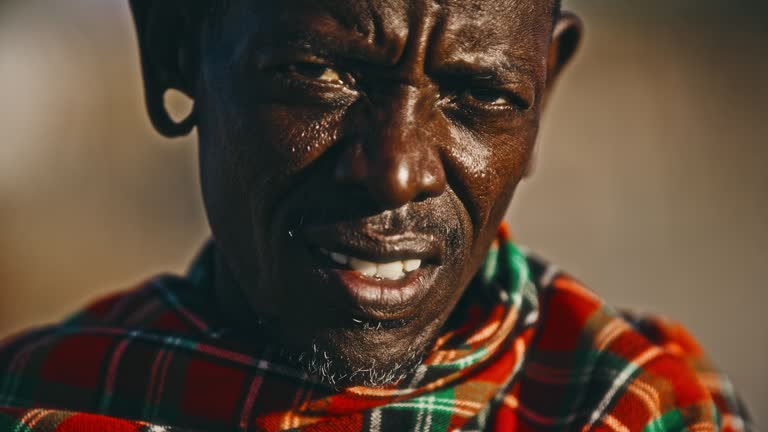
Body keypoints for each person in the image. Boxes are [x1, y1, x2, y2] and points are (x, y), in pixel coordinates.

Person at [0, 0, 754, 431]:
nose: (396, 173)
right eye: (318, 74)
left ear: (544, 95)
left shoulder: (633, 406)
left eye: (481, 96)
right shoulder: (40, 399)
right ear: (175, 51)